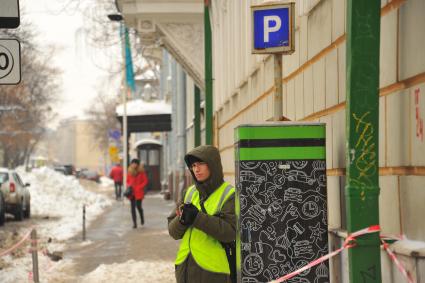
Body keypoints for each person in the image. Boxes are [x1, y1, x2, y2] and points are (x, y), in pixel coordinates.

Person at [167, 145, 236, 283]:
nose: (196, 169)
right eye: (193, 165)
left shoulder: (229, 194)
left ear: (213, 165)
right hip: (184, 267)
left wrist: (197, 217)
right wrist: (182, 220)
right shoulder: (189, 193)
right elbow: (173, 232)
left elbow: (230, 232)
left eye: (201, 164)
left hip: (213, 272)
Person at [126, 158, 148, 229]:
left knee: (138, 206)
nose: (134, 165)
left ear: (138, 164)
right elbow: (127, 181)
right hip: (132, 193)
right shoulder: (129, 172)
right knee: (132, 208)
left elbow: (145, 181)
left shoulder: (141, 172)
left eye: (135, 163)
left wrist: (139, 187)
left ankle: (142, 217)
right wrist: (129, 185)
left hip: (139, 192)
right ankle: (134, 223)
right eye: (133, 163)